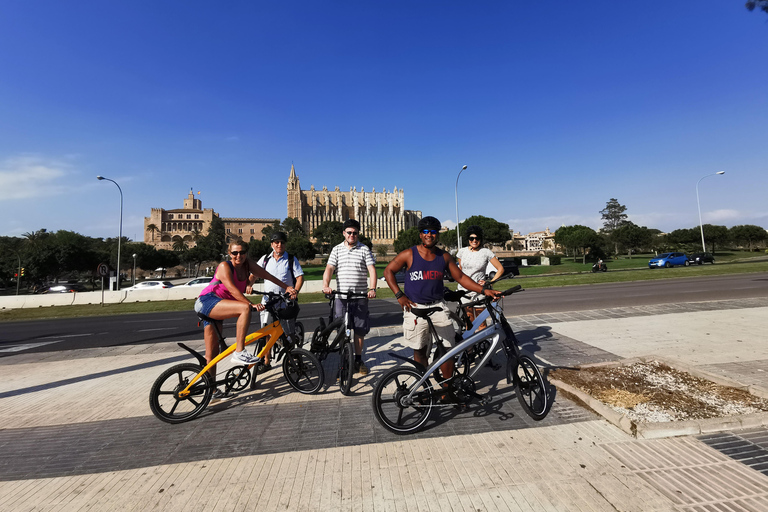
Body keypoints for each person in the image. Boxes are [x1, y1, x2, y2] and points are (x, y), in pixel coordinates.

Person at [383, 216, 501, 392]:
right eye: (425, 231)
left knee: (448, 349)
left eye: (433, 232)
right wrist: (400, 295)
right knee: (420, 350)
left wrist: (484, 290)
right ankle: (424, 388)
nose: (429, 235)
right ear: (420, 235)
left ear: (437, 235)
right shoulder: (409, 254)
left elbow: (460, 277)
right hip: (415, 309)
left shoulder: (443, 257)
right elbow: (388, 271)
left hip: (438, 307)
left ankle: (448, 389)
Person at [195, 240, 297, 396]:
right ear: (229, 254)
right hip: (207, 301)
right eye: (235, 253)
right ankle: (239, 351)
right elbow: (234, 290)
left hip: (221, 306)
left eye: (242, 252)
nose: (239, 256)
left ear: (246, 253)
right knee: (244, 308)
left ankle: (212, 390)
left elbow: (267, 275)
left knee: (212, 354)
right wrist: (251, 304)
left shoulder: (248, 265)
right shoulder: (225, 266)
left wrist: (287, 287)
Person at [322, 219, 377, 376]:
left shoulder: (364, 249)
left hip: (360, 296)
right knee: (342, 330)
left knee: (359, 331)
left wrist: (372, 288)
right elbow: (329, 268)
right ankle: (344, 361)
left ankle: (358, 360)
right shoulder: (337, 249)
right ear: (344, 233)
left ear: (358, 234)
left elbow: (371, 270)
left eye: (355, 233)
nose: (352, 235)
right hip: (341, 297)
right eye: (349, 232)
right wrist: (326, 284)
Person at [255, 231, 304, 370]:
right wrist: (248, 284)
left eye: (282, 242)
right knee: (266, 331)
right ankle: (266, 361)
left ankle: (292, 357)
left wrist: (295, 292)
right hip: (268, 301)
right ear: (272, 244)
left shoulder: (291, 259)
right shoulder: (265, 259)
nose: (279, 244)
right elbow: (254, 273)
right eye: (276, 242)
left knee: (289, 331)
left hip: (285, 301)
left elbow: (300, 277)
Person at [456, 225, 504, 328]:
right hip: (464, 290)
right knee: (469, 321)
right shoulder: (462, 252)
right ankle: (471, 344)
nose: (474, 240)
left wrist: (490, 282)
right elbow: (460, 269)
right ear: (468, 239)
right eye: (471, 238)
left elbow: (500, 269)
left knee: (481, 322)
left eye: (477, 238)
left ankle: (483, 343)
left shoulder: (486, 252)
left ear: (480, 239)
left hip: (479, 290)